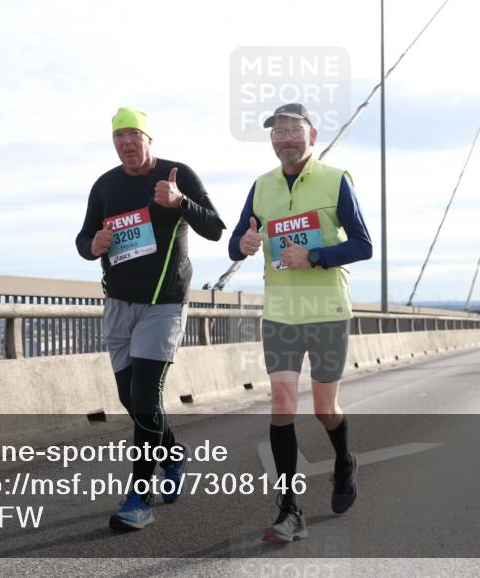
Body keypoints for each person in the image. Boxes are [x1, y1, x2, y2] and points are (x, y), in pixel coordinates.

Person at [76, 107, 226, 531]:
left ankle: (139, 497)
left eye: (133, 134)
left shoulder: (177, 174)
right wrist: (94, 245)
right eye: (118, 136)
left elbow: (216, 227)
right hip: (119, 306)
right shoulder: (105, 185)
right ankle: (173, 453)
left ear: (148, 139)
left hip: (164, 304)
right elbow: (83, 237)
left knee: (143, 398)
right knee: (132, 400)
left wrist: (181, 203)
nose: (126, 142)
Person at [229, 103, 372, 543]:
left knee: (324, 409)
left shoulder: (336, 180)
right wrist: (246, 242)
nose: (285, 139)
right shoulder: (262, 186)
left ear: (312, 136)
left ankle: (344, 460)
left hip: (327, 311)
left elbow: (363, 245)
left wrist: (314, 256)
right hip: (281, 314)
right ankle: (290, 509)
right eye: (277, 133)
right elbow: (236, 244)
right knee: (282, 405)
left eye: (293, 131)